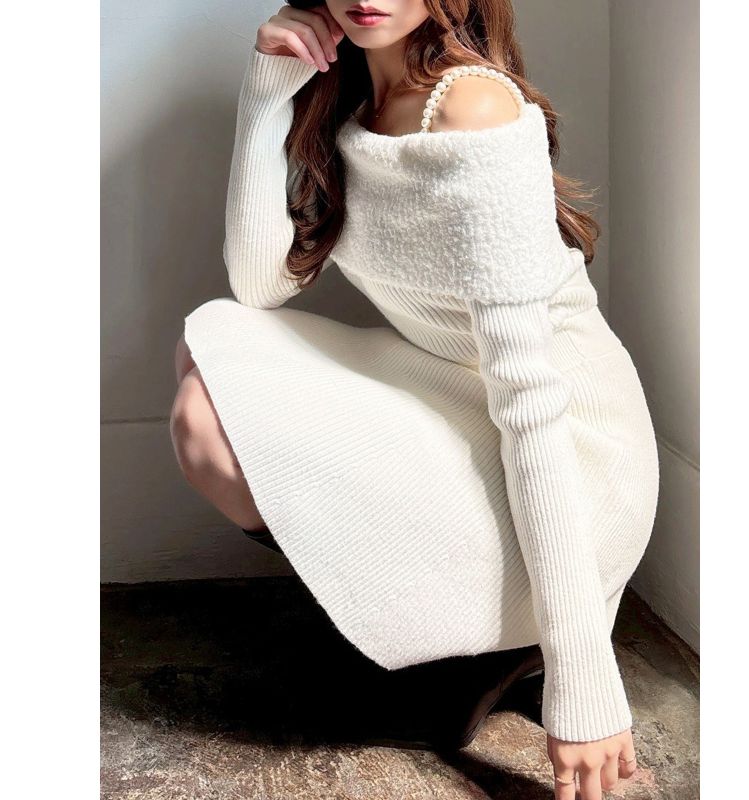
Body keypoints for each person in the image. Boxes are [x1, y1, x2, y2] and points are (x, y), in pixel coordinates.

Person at [169, 2, 659, 797]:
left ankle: (511, 641)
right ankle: (465, 638)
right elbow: (257, 284)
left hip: (572, 450)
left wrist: (586, 680)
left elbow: (531, 404)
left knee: (206, 409)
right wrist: (266, 93)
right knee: (213, 355)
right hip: (455, 393)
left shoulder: (475, 111)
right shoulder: (348, 101)